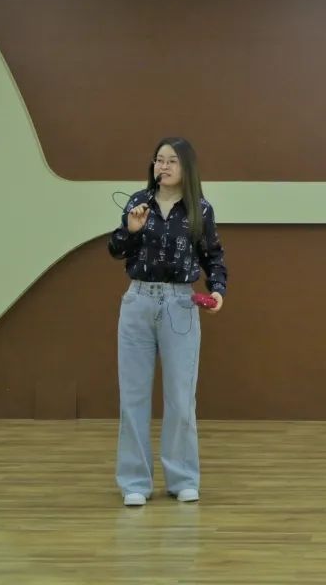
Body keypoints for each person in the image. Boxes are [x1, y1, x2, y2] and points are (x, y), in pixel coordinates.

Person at [107, 136, 227, 507]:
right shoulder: (137, 203)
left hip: (180, 303)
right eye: (159, 159)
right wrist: (131, 230)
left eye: (172, 160)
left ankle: (183, 478)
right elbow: (116, 250)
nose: (164, 166)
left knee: (180, 397)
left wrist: (218, 290)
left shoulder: (200, 210)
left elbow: (213, 256)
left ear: (186, 167)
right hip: (138, 301)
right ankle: (134, 482)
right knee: (133, 397)